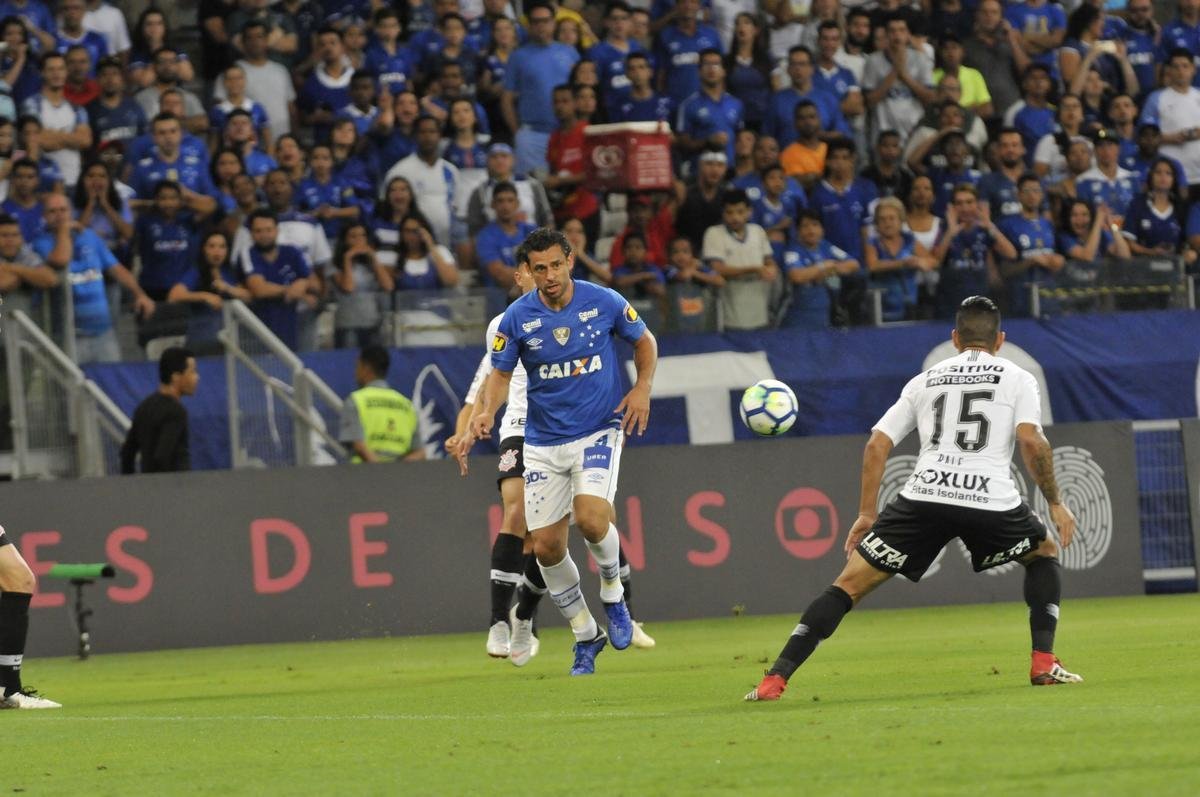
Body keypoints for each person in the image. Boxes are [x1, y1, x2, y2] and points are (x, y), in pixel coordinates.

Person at [746, 296, 1082, 703]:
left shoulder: (925, 380)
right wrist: (1055, 502)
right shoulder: (1018, 378)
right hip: (989, 498)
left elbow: (877, 444)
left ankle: (774, 680)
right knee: (1043, 552)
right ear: (1000, 340)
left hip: (924, 497)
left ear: (955, 338)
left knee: (848, 586)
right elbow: (1031, 440)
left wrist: (866, 513)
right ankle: (1043, 662)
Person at [461, 227, 658, 675]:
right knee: (547, 547)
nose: (549, 276)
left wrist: (643, 387)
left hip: (598, 429)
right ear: (527, 272)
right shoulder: (516, 318)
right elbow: (499, 374)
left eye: (555, 265)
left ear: (570, 261)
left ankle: (614, 596)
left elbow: (644, 340)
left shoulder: (603, 300)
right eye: (540, 268)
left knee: (591, 518)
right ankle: (586, 633)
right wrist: (486, 412)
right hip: (543, 442)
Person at [35, 193, 154, 363]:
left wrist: (140, 294)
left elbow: (117, 269)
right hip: (69, 336)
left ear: (71, 212)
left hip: (103, 334)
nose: (59, 215)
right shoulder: (41, 243)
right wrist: (64, 231)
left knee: (110, 377)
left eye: (63, 210)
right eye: (52, 211)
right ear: (44, 216)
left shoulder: (89, 236)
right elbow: (61, 259)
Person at [502, 4, 580, 177]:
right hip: (532, 135)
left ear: (554, 23)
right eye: (536, 22)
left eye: (545, 21)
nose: (541, 26)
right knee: (531, 187)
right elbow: (506, 99)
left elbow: (581, 91)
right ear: (529, 25)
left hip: (567, 133)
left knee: (568, 185)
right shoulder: (518, 56)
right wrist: (517, 132)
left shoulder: (570, 52)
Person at [932, 184, 1018, 318]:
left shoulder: (985, 229)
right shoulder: (944, 227)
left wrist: (990, 226)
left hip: (980, 299)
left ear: (977, 204)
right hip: (950, 301)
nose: (965, 208)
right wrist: (950, 233)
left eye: (969, 202)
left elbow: (1011, 254)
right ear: (953, 207)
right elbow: (936, 262)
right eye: (959, 203)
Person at [702, 188, 777, 331]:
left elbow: (768, 260)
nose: (735, 217)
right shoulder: (714, 233)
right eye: (729, 212)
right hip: (730, 307)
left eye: (740, 212)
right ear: (722, 213)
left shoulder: (758, 231)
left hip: (759, 304)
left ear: (749, 212)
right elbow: (717, 268)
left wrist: (771, 268)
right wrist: (755, 268)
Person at [338, 344, 423, 463]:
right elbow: (420, 452)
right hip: (400, 473)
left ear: (366, 368)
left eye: (358, 366)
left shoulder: (356, 400)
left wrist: (381, 469)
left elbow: (358, 445)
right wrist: (398, 470)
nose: (356, 372)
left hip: (363, 472)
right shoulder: (407, 405)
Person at [119, 346, 198, 474]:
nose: (197, 377)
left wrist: (130, 483)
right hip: (174, 484)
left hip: (148, 484)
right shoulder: (176, 412)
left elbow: (127, 453)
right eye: (192, 372)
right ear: (176, 377)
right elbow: (163, 456)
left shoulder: (144, 407)